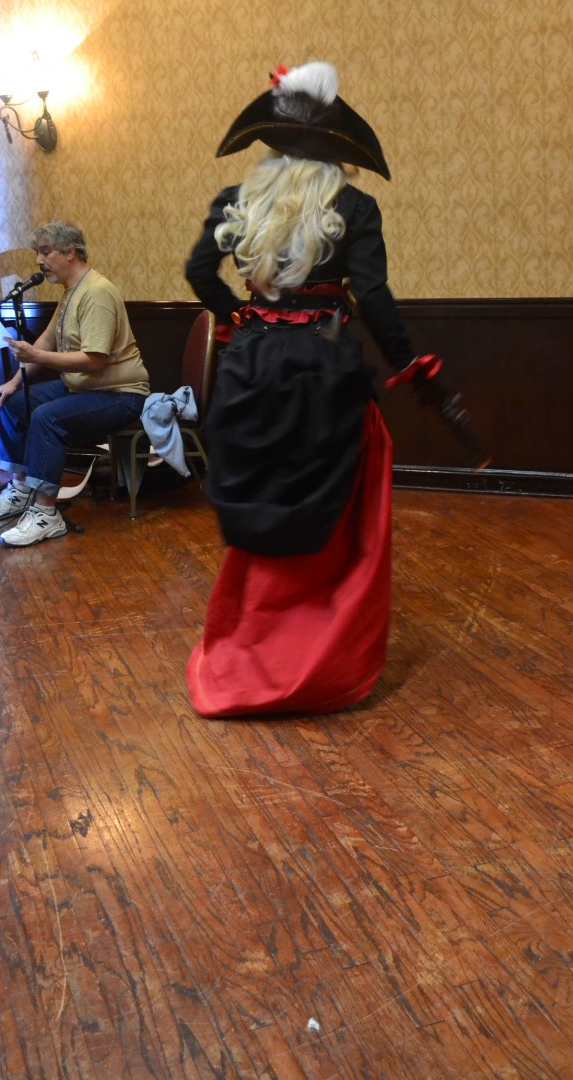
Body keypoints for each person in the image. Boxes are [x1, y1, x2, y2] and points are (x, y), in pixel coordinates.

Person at [184, 61, 444, 718]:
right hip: (325, 373)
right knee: (337, 514)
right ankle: (320, 662)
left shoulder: (235, 199)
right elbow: (373, 298)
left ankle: (249, 653)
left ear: (271, 140)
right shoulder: (355, 206)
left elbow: (199, 273)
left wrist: (241, 317)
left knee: (263, 503)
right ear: (335, 147)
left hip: (250, 370)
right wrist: (410, 362)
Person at [0, 221, 150, 546]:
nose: (38, 261)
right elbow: (46, 340)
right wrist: (13, 382)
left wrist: (36, 357)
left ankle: (46, 515)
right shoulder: (72, 291)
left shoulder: (97, 292)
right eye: (37, 253)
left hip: (121, 395)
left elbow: (93, 360)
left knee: (47, 418)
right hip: (84, 388)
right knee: (15, 404)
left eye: (45, 252)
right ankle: (22, 490)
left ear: (70, 252)